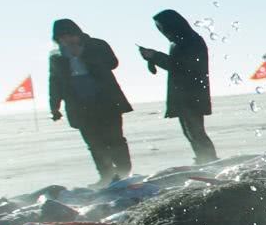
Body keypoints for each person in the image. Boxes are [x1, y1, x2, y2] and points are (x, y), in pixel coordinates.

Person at [47, 18, 133, 183]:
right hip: (79, 106)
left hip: (106, 101)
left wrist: (84, 56)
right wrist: (54, 106)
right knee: (95, 144)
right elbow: (55, 82)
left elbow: (112, 63)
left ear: (77, 34)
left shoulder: (96, 45)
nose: (67, 41)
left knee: (115, 139)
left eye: (70, 36)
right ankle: (106, 176)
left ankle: (124, 172)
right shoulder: (56, 56)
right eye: (62, 38)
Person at [140, 10, 216, 163]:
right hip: (183, 94)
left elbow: (182, 66)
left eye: (162, 26)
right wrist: (153, 58)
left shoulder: (190, 41)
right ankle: (204, 159)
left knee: (196, 131)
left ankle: (209, 160)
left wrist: (155, 56)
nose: (161, 30)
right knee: (190, 132)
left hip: (192, 94)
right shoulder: (178, 41)